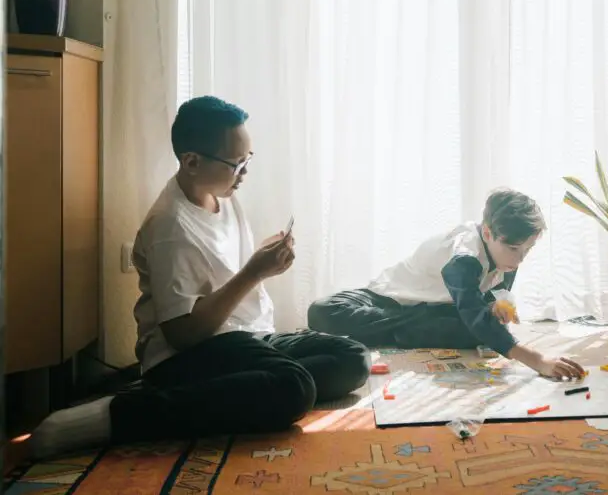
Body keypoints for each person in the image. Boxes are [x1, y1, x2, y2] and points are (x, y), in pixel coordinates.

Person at [30, 96, 369, 459]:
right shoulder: (170, 226)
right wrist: (254, 272)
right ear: (191, 162)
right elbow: (183, 334)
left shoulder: (221, 196)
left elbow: (224, 280)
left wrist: (259, 264)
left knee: (352, 358)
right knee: (295, 387)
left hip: (242, 339)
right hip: (188, 355)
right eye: (237, 164)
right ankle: (116, 414)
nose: (244, 173)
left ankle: (234, 390)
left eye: (247, 160)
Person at [307, 189, 585, 380]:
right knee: (321, 311)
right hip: (386, 301)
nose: (520, 258)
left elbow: (492, 297)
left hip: (440, 307)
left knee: (481, 330)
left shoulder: (507, 257)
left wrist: (496, 306)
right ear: (487, 232)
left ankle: (416, 328)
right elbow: (473, 311)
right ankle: (410, 329)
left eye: (528, 249)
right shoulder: (464, 256)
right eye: (513, 249)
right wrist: (537, 360)